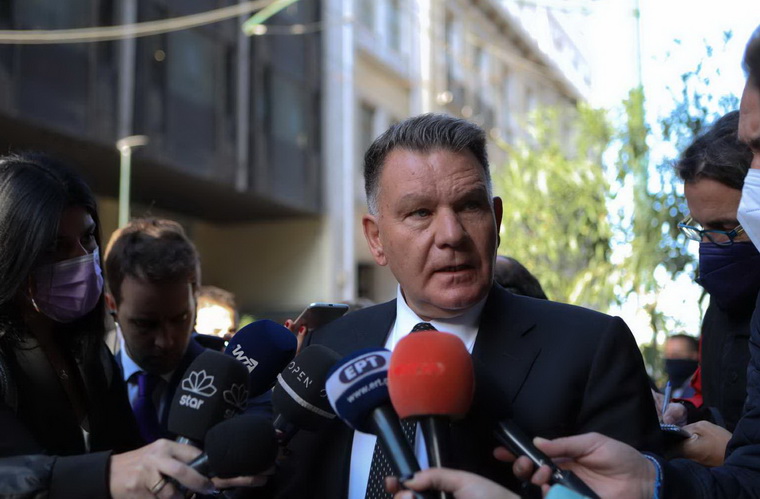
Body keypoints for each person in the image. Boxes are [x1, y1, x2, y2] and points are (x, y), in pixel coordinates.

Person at [271, 113, 663, 498]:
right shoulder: (331, 346)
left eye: (470, 206)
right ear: (376, 239)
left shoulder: (592, 348)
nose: (451, 234)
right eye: (420, 213)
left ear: (496, 219)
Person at [0, 152, 214, 496]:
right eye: (55, 247)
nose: (81, 259)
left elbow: (130, 453)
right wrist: (103, 474)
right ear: (11, 252)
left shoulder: (90, 354)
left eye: (87, 238)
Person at [105, 218, 271, 444]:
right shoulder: (91, 384)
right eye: (145, 324)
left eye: (180, 319)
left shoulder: (236, 386)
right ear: (112, 306)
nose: (166, 341)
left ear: (195, 300)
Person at [662, 110, 757, 432]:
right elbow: (725, 409)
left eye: (726, 227)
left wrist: (728, 452)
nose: (709, 244)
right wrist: (687, 415)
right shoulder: (718, 308)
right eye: (701, 228)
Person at [663, 334, 699, 399]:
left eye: (675, 355)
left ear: (694, 356)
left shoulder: (701, 392)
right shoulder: (664, 392)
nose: (670, 360)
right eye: (667, 355)